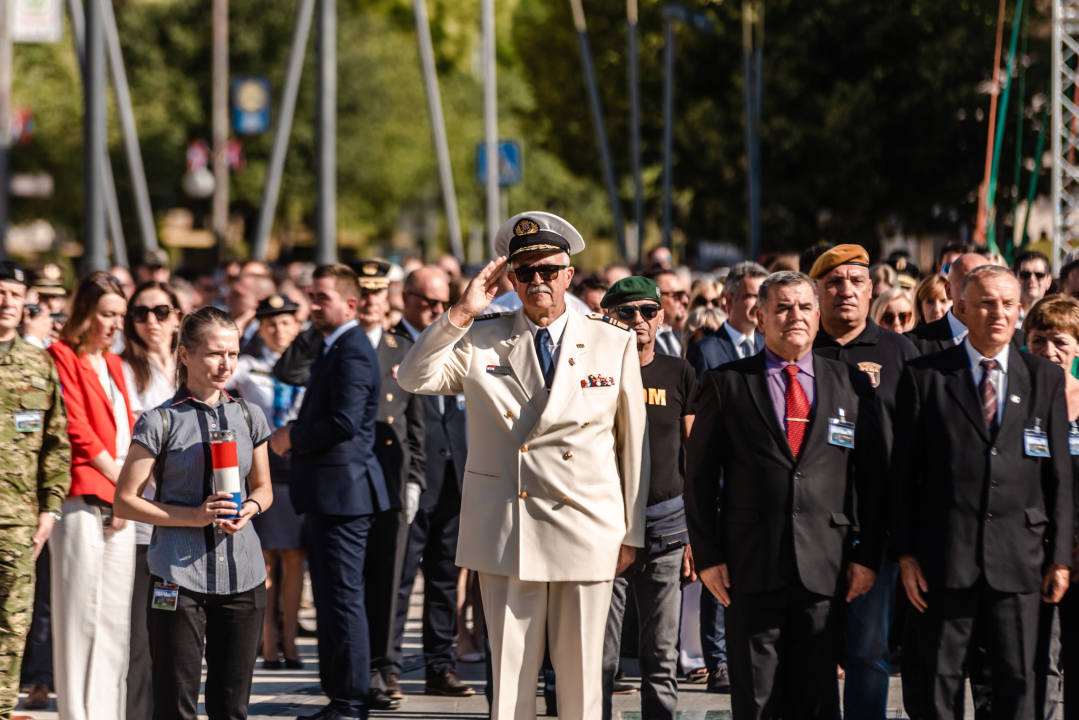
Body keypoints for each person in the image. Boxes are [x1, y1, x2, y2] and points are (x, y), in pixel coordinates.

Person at [397, 211, 649, 719]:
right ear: (510, 279)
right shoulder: (480, 336)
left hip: (588, 526)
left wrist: (631, 532)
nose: (538, 281)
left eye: (549, 270)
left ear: (568, 275)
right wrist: (461, 311)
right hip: (509, 531)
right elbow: (412, 376)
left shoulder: (613, 339)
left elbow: (633, 445)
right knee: (510, 687)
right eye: (525, 272)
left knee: (583, 685)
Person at [684, 270, 887, 720]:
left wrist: (868, 556)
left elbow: (873, 478)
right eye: (782, 307)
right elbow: (698, 478)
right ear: (760, 317)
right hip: (749, 567)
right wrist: (708, 556)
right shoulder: (726, 382)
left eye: (804, 307)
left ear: (818, 315)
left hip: (827, 568)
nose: (795, 315)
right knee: (757, 702)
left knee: (817, 701)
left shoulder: (852, 384)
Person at [892, 264, 1072, 720]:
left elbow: (1057, 477)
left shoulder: (1044, 379)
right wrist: (906, 555)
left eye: (1008, 304)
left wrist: (1060, 558)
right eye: (987, 303)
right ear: (962, 308)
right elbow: (904, 475)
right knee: (940, 686)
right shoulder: (924, 375)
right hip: (943, 561)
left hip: (1020, 563)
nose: (999, 313)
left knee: (1017, 684)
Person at [114, 307, 273, 720]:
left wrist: (250, 508)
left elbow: (264, 488)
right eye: (215, 353)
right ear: (185, 355)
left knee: (232, 706)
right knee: (174, 704)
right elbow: (125, 500)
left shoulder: (249, 415)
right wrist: (194, 516)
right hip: (177, 577)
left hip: (244, 577)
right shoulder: (159, 420)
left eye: (233, 354)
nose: (226, 364)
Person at [269, 264, 391, 720]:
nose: (313, 305)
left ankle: (350, 702)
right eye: (312, 297)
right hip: (329, 494)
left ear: (351, 304)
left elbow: (345, 422)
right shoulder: (333, 344)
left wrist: (292, 436)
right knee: (332, 601)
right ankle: (340, 697)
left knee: (342, 602)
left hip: (344, 495)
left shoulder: (352, 350)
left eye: (322, 298)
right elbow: (288, 370)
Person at [806, 245, 920, 719]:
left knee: (868, 655)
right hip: (809, 531)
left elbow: (915, 447)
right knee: (812, 655)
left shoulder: (900, 352)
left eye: (856, 281)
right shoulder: (800, 346)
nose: (845, 290)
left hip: (876, 530)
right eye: (833, 282)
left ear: (872, 289)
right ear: (817, 290)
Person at [598, 276, 697, 720]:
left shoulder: (679, 372)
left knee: (661, 654)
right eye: (626, 311)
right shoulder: (593, 374)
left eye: (648, 311)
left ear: (661, 318)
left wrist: (696, 535)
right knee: (600, 658)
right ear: (609, 317)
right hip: (605, 528)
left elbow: (694, 456)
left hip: (666, 528)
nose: (638, 319)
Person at [47, 271, 135, 720]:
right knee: (78, 612)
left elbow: (128, 430)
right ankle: (77, 714)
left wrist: (128, 488)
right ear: (85, 312)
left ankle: (107, 712)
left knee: (114, 617)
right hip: (84, 494)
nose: (116, 324)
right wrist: (123, 483)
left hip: (123, 494)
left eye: (120, 315)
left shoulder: (116, 364)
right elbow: (76, 428)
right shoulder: (61, 355)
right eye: (107, 314)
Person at [390, 265, 474, 698]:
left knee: (444, 578)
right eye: (428, 302)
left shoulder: (459, 338)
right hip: (410, 479)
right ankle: (388, 667)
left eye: (444, 302)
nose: (437, 309)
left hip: (455, 475)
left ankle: (440, 667)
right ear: (406, 298)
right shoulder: (390, 345)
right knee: (399, 579)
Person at [0, 261, 70, 720]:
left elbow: (56, 443)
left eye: (13, 294)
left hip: (18, 520)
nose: (5, 302)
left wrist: (50, 509)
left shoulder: (37, 363)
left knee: (13, 624)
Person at [227, 294, 307, 672]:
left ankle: (291, 639)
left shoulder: (310, 364)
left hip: (300, 466)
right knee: (267, 558)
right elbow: (219, 372)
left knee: (296, 557)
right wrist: (241, 321)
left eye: (286, 322)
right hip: (263, 469)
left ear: (298, 326)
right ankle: (269, 642)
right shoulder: (248, 365)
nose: (278, 329)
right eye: (270, 323)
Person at [119, 280, 182, 720]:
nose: (151, 321)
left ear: (177, 315)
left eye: (161, 311)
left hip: (189, 518)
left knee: (178, 634)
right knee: (141, 634)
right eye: (139, 313)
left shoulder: (192, 366)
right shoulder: (124, 370)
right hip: (145, 519)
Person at [1019, 295, 1079, 719]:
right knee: (1035, 662)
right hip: (1029, 550)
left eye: (1060, 341)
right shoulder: (1016, 400)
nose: (1049, 351)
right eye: (1038, 340)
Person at [686, 261, 768, 381]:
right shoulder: (704, 351)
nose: (759, 304)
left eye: (762, 297)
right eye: (751, 296)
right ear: (729, 301)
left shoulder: (769, 347)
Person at [648, 268, 689, 355]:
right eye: (678, 294)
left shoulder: (680, 338)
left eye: (685, 295)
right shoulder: (640, 342)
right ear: (655, 297)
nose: (685, 300)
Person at [1015, 250, 1053, 327]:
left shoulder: (1056, 319)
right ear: (1016, 279)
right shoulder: (1006, 316)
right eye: (1025, 274)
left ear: (1048, 281)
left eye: (1039, 275)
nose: (1032, 279)